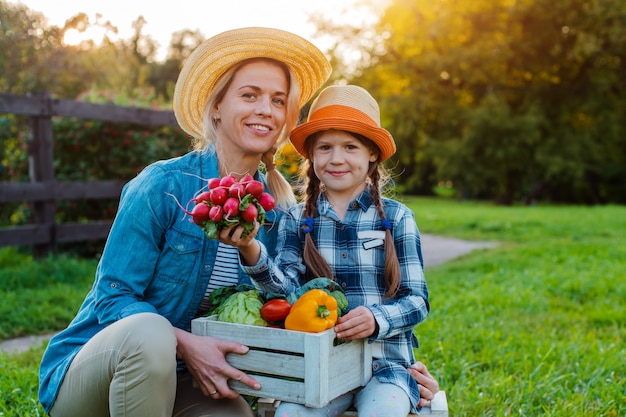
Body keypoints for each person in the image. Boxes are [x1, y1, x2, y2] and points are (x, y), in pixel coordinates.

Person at [37, 27, 332, 417]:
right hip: (96, 373)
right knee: (150, 331)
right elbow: (113, 295)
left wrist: (393, 363)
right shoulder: (163, 185)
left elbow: (286, 307)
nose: (266, 109)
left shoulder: (276, 212)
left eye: (278, 100)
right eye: (249, 95)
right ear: (216, 107)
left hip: (186, 379)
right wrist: (185, 343)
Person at [229, 84, 431, 416]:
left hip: (386, 366)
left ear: (372, 154)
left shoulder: (396, 218)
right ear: (311, 156)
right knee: (289, 414)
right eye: (325, 147)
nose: (336, 159)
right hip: (320, 365)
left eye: (350, 147)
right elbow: (286, 294)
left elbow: (417, 300)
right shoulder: (297, 220)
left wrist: (376, 318)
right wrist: (250, 248)